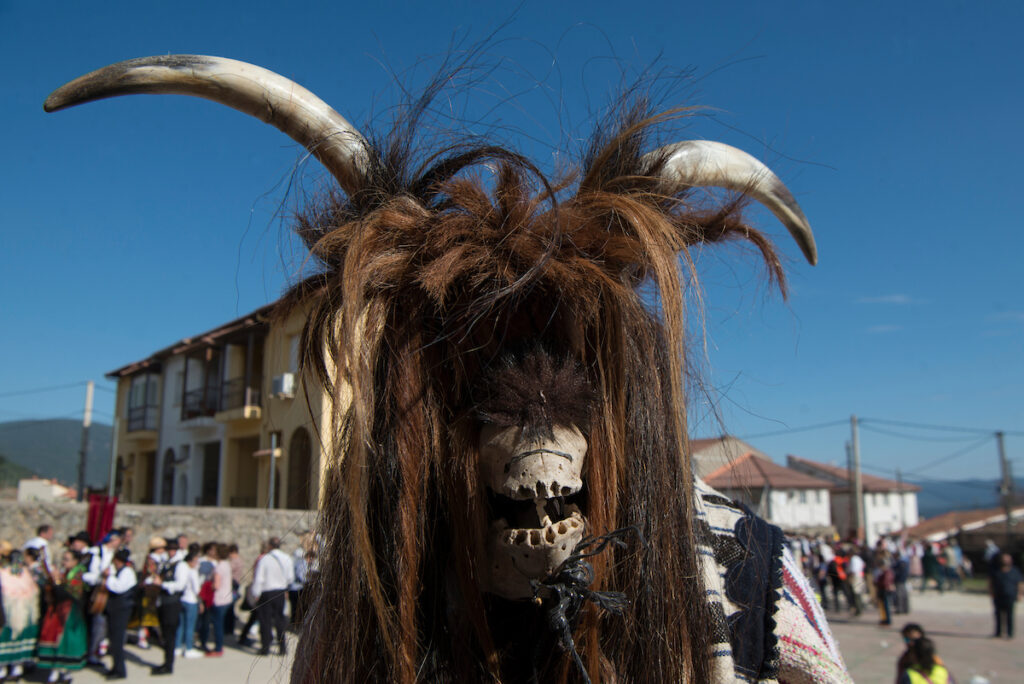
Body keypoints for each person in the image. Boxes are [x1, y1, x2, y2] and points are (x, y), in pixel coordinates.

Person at [37, 549, 89, 683]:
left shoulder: (77, 575)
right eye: (63, 559)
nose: (63, 562)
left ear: (75, 561)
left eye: (66, 559)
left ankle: (63, 673)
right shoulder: (67, 573)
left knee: (66, 641)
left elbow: (67, 594)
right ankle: (57, 673)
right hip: (60, 611)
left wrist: (57, 582)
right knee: (56, 639)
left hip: (70, 613)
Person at [0, 547, 41, 682]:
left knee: (7, 639)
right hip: (25, 613)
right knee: (20, 639)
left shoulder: (4, 573)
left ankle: (3, 670)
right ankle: (17, 669)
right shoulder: (25, 573)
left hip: (9, 614)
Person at [82, 529, 121, 667]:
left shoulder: (116, 555)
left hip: (110, 593)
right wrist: (101, 576)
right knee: (96, 624)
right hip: (96, 593)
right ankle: (90, 652)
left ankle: (97, 650)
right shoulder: (96, 552)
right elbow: (85, 575)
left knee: (103, 625)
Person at [150, 541, 190, 675]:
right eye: (169, 549)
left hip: (172, 602)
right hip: (164, 602)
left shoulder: (181, 565)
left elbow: (179, 585)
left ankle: (168, 665)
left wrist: (163, 585)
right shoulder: (166, 563)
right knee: (165, 635)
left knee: (170, 634)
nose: (171, 552)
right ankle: (166, 662)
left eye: (173, 549)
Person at [250, 537, 294, 656]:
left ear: (270, 545)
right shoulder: (287, 558)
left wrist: (256, 593)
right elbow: (290, 578)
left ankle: (265, 648)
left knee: (265, 621)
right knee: (280, 620)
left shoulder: (265, 559)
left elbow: (259, 578)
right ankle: (282, 648)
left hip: (267, 592)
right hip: (280, 592)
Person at [102, 548, 137, 680]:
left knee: (117, 640)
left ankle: (120, 670)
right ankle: (115, 667)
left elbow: (118, 587)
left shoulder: (127, 572)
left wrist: (108, 577)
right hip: (116, 608)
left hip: (122, 609)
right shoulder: (120, 571)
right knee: (113, 639)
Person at [203, 543, 234, 657]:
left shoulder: (219, 567)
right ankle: (219, 646)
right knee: (220, 624)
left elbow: (216, 585)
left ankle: (218, 648)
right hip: (227, 598)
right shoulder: (227, 565)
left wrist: (206, 586)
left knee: (217, 625)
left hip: (219, 599)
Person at [174, 551, 204, 658]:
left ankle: (177, 646)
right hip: (191, 601)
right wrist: (200, 602)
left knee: (181, 625)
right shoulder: (192, 572)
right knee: (190, 626)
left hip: (182, 599)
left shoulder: (183, 569)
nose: (197, 563)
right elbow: (197, 589)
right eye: (195, 561)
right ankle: (188, 648)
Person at [990, 552, 1023, 639]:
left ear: (1010, 560)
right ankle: (998, 632)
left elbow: (1020, 583)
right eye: (1004, 559)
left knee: (1010, 615)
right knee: (998, 615)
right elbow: (990, 583)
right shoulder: (996, 571)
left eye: (1007, 559)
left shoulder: (1015, 571)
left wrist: (1020, 594)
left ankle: (1010, 633)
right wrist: (991, 592)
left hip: (1010, 596)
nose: (1005, 561)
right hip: (998, 595)